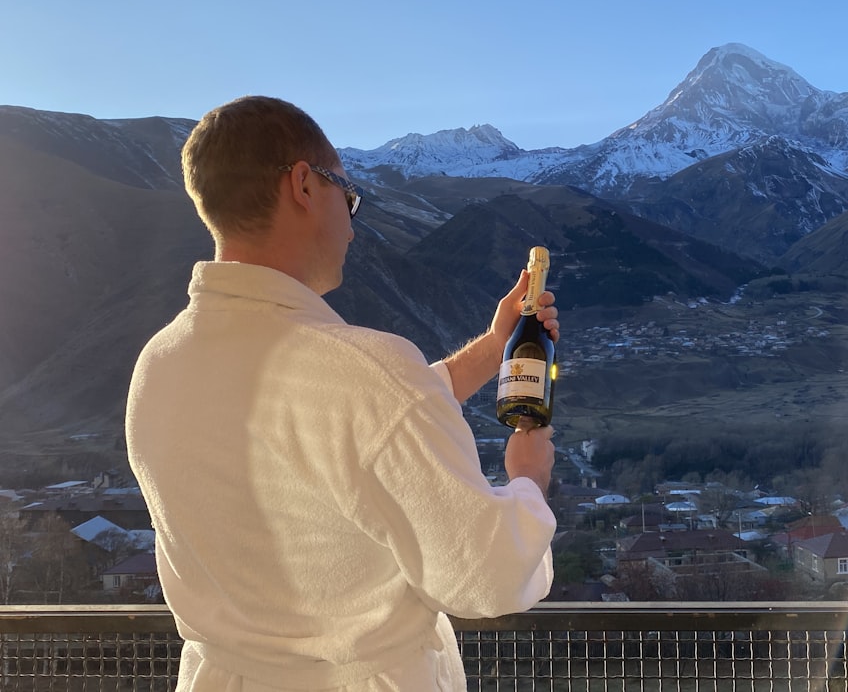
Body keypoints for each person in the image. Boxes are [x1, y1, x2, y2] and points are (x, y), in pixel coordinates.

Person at [125, 96, 560, 691]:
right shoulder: (365, 372)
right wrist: (528, 482)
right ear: (304, 184)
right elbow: (485, 575)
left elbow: (348, 426)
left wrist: (494, 346)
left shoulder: (162, 363)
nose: (352, 226)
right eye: (348, 198)